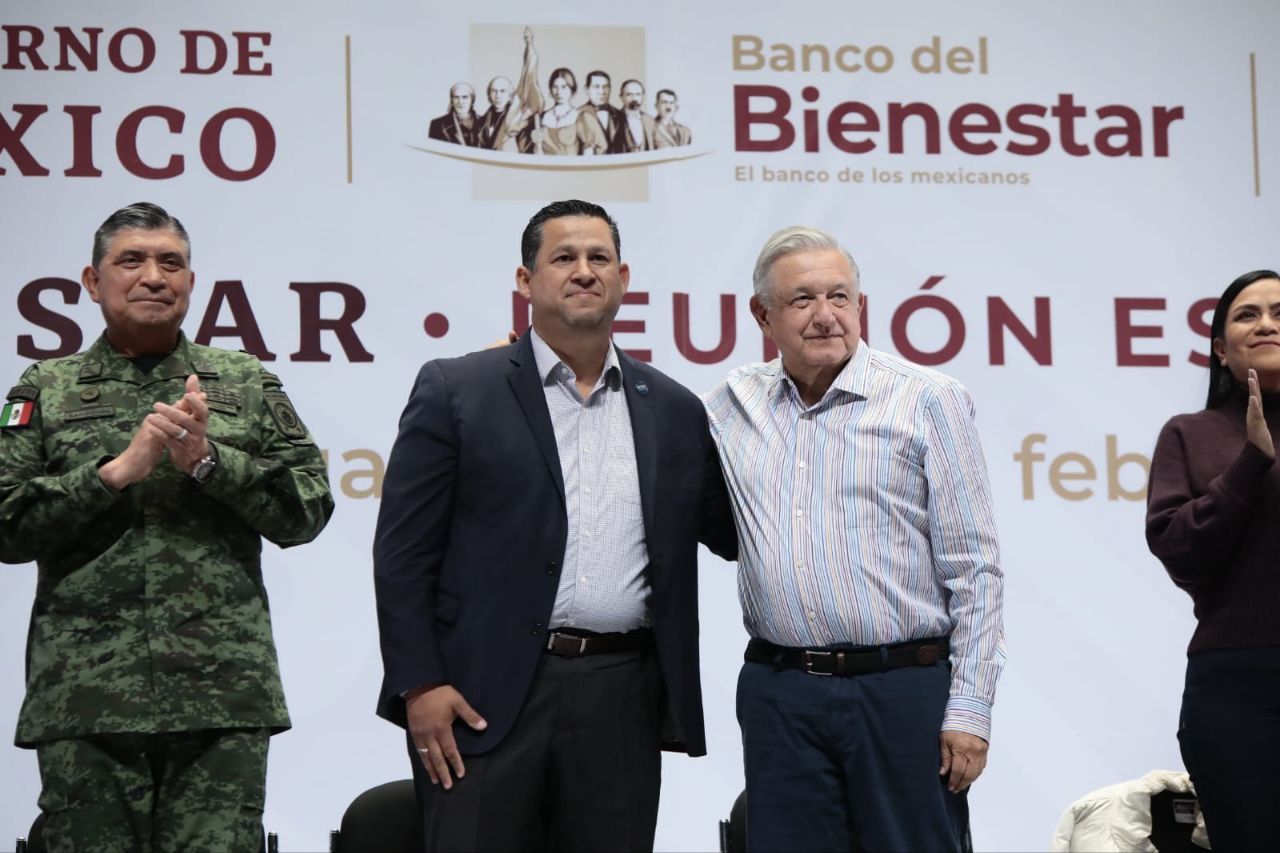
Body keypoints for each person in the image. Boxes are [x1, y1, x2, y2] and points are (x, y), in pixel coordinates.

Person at [373, 199, 736, 851]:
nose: (583, 270)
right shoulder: (459, 390)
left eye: (599, 257)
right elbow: (403, 555)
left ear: (623, 277)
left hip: (619, 694)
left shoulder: (677, 409)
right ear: (525, 280)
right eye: (563, 256)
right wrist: (419, 684)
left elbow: (731, 532)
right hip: (480, 695)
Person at [0, 202, 334, 851]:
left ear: (190, 280)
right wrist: (112, 473)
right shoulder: (46, 387)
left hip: (221, 700)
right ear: (92, 282)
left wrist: (213, 462)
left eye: (170, 262)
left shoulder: (243, 381)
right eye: (131, 260)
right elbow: (3, 523)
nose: (153, 275)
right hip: (85, 701)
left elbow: (309, 511)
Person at [703, 226, 1006, 852]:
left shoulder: (929, 400)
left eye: (840, 297)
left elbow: (975, 569)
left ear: (861, 306)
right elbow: (640, 444)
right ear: (762, 315)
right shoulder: (729, 407)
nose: (825, 316)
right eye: (802, 300)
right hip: (780, 692)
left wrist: (971, 710)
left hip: (904, 691)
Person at [1146, 269, 1280, 850]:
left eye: (1279, 312)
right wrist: (1250, 463)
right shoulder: (1190, 433)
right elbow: (1179, 550)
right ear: (1222, 350)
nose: (1267, 324)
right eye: (1247, 314)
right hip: (1237, 687)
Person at [476, 76, 531, 153]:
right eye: (494, 91)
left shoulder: (517, 119)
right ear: (489, 94)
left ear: (510, 95)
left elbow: (524, 150)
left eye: (502, 91)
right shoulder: (481, 121)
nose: (498, 96)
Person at [534, 67, 581, 156]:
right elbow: (536, 152)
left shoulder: (580, 116)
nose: (559, 92)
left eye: (564, 87)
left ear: (572, 89)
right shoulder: (541, 117)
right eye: (555, 87)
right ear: (551, 90)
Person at [574, 70, 623, 155]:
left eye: (605, 87)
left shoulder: (619, 114)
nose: (602, 91)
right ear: (586, 89)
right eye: (596, 87)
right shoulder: (577, 115)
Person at [428, 82, 480, 146]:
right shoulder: (437, 124)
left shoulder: (484, 122)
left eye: (465, 97)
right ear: (451, 100)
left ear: (472, 100)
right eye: (456, 97)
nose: (460, 101)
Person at [618, 79, 656, 152]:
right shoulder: (614, 120)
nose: (634, 98)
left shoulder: (650, 121)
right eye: (629, 94)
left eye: (638, 94)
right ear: (621, 97)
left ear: (642, 97)